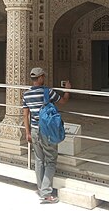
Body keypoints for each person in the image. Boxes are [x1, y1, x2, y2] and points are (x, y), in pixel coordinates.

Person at [23, 67, 71, 204]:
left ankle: (41, 188)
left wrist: (27, 132)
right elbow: (63, 101)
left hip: (34, 130)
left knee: (39, 160)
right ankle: (46, 193)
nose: (44, 78)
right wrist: (67, 90)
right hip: (47, 131)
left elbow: (25, 114)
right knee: (50, 160)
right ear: (40, 78)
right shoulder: (47, 92)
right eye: (43, 76)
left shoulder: (26, 94)